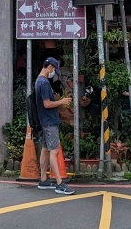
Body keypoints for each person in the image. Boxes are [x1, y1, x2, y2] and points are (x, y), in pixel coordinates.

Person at [35, 57, 74, 195]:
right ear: (50, 67)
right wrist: (61, 102)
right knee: (54, 150)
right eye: (54, 69)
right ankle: (59, 183)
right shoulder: (44, 83)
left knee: (45, 149)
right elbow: (47, 104)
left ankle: (43, 180)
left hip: (45, 121)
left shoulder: (39, 81)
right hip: (50, 121)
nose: (54, 72)